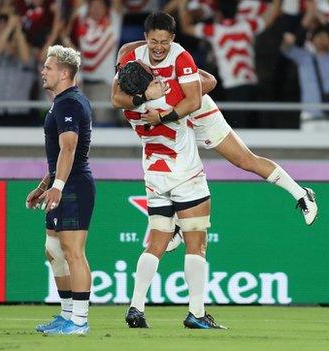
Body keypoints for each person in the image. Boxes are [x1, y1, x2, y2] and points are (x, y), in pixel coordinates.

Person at [114, 38, 319, 226]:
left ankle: (301, 193)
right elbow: (115, 98)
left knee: (244, 160)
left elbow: (209, 81)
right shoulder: (130, 83)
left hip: (197, 107)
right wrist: (150, 96)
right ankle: (175, 224)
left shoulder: (136, 51)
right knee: (167, 168)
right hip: (167, 116)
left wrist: (183, 85)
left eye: (161, 41)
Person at [112, 11, 225, 329]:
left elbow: (118, 96)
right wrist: (170, 89)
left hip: (154, 173)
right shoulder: (169, 94)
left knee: (157, 241)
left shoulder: (132, 109)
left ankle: (136, 307)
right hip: (185, 171)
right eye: (154, 42)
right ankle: (197, 313)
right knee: (196, 242)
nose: (158, 49)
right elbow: (204, 89)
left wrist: (140, 93)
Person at [28, 45, 95, 335]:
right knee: (54, 249)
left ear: (65, 73)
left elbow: (69, 148)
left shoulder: (69, 104)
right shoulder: (64, 102)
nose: (43, 71)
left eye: (49, 67)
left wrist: (57, 185)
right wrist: (45, 184)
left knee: (73, 251)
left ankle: (79, 321)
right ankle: (67, 314)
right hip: (63, 182)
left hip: (74, 185)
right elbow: (60, 153)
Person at [178, 0, 282, 128]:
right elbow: (270, 18)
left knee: (239, 131)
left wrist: (182, 4)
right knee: (254, 129)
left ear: (219, 14)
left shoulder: (214, 30)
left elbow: (186, 27)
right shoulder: (247, 26)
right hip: (252, 84)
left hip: (232, 87)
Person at [282, 26, 329, 132]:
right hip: (310, 116)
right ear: (312, 40)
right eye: (318, 36)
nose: (322, 39)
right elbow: (286, 49)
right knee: (309, 148)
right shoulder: (304, 57)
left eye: (325, 36)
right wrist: (288, 41)